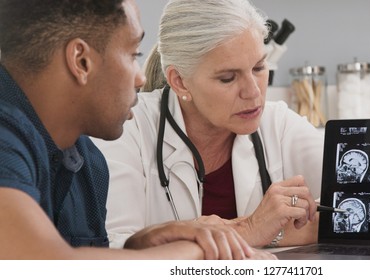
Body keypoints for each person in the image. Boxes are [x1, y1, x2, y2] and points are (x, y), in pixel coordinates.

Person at [0, 0, 274, 260]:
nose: (142, 78)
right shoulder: (5, 140)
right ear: (81, 61)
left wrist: (137, 247)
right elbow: (37, 265)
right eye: (133, 55)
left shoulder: (86, 162)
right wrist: (202, 251)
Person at [93, 0, 324, 249]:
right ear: (180, 81)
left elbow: (363, 202)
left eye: (259, 67)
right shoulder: (129, 128)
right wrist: (249, 230)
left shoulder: (277, 123)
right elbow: (112, 248)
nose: (253, 92)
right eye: (228, 78)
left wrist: (272, 233)